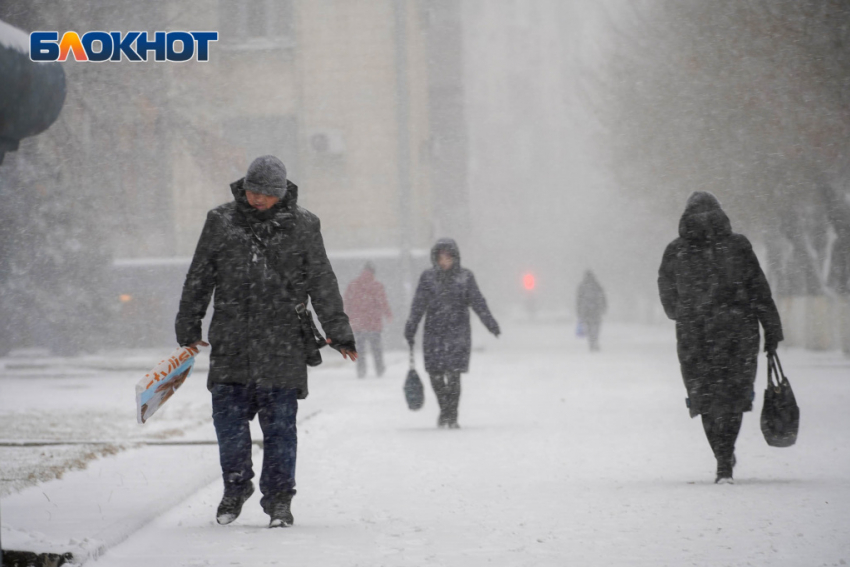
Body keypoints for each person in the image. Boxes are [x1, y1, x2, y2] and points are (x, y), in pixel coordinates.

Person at [175, 155, 357, 527]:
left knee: (280, 430)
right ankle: (236, 487)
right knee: (228, 425)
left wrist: (338, 331)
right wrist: (188, 328)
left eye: (264, 193)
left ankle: (278, 500)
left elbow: (322, 280)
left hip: (282, 344)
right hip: (231, 343)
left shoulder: (304, 225)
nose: (256, 198)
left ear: (280, 193)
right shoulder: (220, 221)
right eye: (251, 191)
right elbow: (199, 277)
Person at [657, 191, 783, 484]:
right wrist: (772, 330)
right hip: (738, 333)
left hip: (695, 336)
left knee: (705, 398)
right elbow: (758, 288)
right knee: (733, 396)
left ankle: (721, 455)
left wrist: (679, 311)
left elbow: (665, 285)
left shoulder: (676, 250)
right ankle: (726, 456)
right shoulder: (738, 245)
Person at [404, 238, 500, 429]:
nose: (444, 261)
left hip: (458, 334)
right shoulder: (428, 278)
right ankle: (445, 409)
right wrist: (411, 326)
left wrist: (490, 323)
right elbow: (418, 305)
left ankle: (452, 415)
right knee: (435, 375)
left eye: (448, 257)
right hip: (434, 334)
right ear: (435, 258)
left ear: (455, 258)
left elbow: (478, 302)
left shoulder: (465, 277)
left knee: (454, 376)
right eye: (441, 257)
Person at [343, 262, 393, 378]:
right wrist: (388, 314)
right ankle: (379, 369)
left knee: (360, 349)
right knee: (376, 349)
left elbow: (347, 302)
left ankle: (361, 370)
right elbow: (383, 302)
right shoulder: (377, 285)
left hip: (358, 323)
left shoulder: (353, 284)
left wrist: (347, 316)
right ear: (373, 272)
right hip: (373, 323)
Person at [576, 270, 607, 351]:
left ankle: (591, 342)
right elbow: (602, 297)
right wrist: (603, 308)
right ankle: (595, 341)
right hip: (596, 310)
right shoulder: (597, 285)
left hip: (586, 311)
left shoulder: (582, 286)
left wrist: (579, 311)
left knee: (589, 327)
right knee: (596, 327)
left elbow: (579, 300)